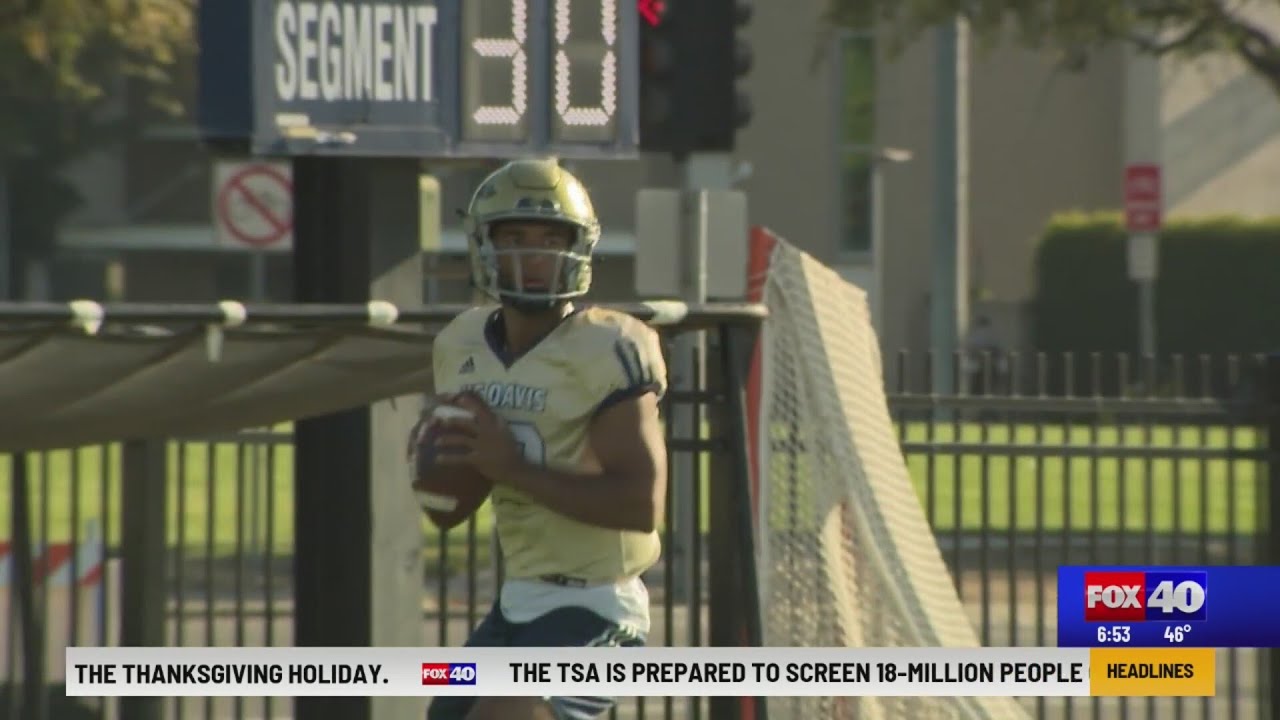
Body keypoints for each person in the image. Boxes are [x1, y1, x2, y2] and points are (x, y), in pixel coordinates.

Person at [420, 158, 669, 720]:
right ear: (485, 245)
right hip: (518, 602)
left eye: (550, 238)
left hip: (598, 608)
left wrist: (513, 469)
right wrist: (446, 466)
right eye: (514, 237)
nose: (533, 255)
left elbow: (640, 504)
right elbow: (448, 509)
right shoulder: (460, 345)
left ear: (578, 246)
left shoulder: (609, 347)